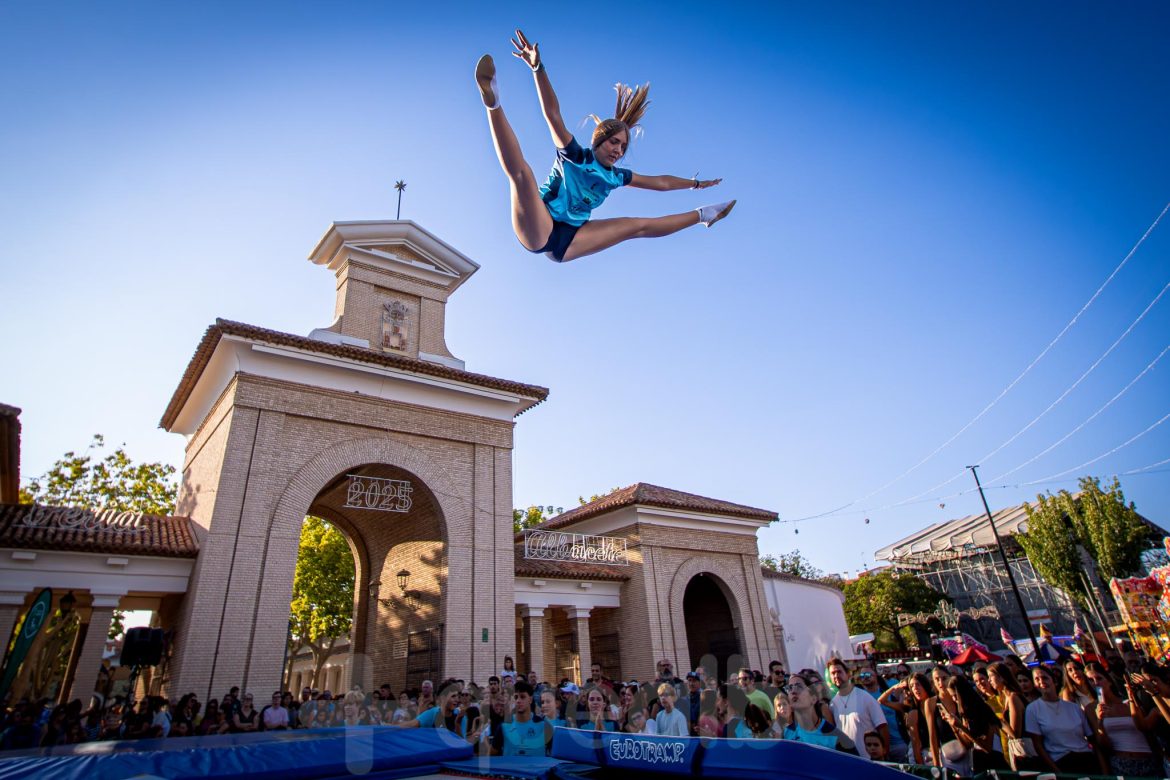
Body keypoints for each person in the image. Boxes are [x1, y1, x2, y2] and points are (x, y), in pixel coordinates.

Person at [473, 29, 735, 265]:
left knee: (637, 226)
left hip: (573, 238)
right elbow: (552, 115)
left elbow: (661, 183)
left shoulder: (616, 176)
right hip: (540, 224)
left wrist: (695, 184)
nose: (618, 151)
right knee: (523, 176)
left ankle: (704, 214)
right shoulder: (574, 155)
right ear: (598, 140)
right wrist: (537, 68)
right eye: (614, 142)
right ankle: (493, 104)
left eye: (623, 147)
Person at [1024, 664, 1105, 775]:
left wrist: (1103, 770)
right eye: (1037, 679)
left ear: (1054, 681)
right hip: (1062, 762)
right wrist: (1057, 772)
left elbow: (1092, 740)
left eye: (1045, 678)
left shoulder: (1074, 707)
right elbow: (1038, 745)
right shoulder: (1032, 709)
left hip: (1086, 758)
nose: (1041, 681)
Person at [1084, 660, 1159, 777]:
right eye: (1090, 680)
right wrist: (1100, 721)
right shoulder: (1091, 708)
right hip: (1121, 763)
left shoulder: (1128, 702)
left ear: (1109, 680)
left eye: (1099, 678)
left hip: (1147, 759)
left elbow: (1147, 730)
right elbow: (1103, 745)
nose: (1096, 683)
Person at [828, 658, 888, 761]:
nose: (836, 675)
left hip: (870, 760)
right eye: (833, 673)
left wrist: (884, 754)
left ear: (848, 674)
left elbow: (882, 727)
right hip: (849, 761)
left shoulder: (865, 697)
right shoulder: (833, 704)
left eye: (839, 672)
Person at [783, 674, 855, 751]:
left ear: (814, 699)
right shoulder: (786, 734)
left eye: (799, 687)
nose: (793, 691)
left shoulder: (837, 738)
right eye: (789, 688)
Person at [856, 663, 909, 762]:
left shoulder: (886, 694)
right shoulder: (859, 697)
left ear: (875, 675)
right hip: (876, 747)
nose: (865, 677)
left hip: (898, 743)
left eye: (868, 675)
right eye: (862, 675)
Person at [987, 661, 1032, 771]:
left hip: (1025, 752)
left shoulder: (1013, 698)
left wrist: (997, 719)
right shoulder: (1006, 698)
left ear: (1001, 677)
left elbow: (1015, 733)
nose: (989, 680)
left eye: (991, 676)